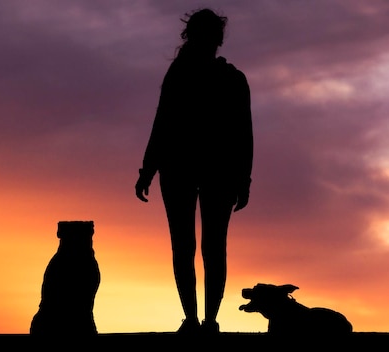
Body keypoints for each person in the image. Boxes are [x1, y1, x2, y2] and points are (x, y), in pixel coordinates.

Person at [135, 8, 253, 335]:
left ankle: (199, 320)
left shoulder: (219, 77)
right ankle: (202, 320)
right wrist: (148, 169)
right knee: (206, 246)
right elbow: (243, 135)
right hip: (197, 170)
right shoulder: (221, 78)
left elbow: (242, 134)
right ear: (216, 37)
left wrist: (148, 170)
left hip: (193, 170)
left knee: (192, 246)